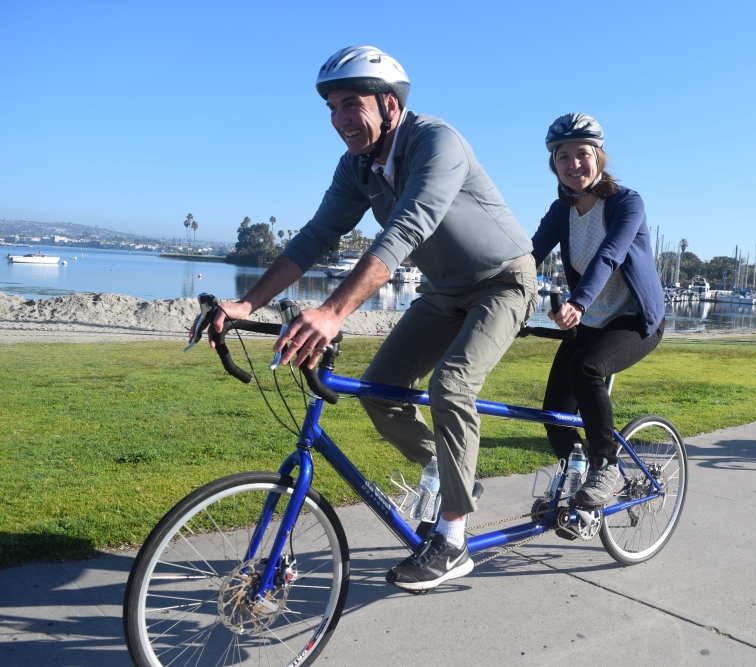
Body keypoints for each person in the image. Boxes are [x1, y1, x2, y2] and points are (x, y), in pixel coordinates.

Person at [198, 46, 536, 590]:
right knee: (380, 389)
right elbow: (315, 236)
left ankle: (452, 539)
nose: (338, 120)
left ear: (390, 106)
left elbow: (407, 230)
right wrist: (245, 304)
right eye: (331, 108)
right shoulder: (357, 166)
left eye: (350, 104)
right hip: (444, 290)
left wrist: (332, 312)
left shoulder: (437, 142)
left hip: (504, 281)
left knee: (452, 385)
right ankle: (452, 476)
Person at [531, 114, 665, 508]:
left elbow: (610, 254)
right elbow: (529, 255)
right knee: (554, 417)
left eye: (582, 154)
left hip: (635, 318)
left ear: (599, 158)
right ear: (553, 165)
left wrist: (577, 302)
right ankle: (578, 485)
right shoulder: (561, 212)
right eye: (563, 157)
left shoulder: (627, 202)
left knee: (586, 368)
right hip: (589, 320)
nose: (574, 165)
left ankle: (604, 465)